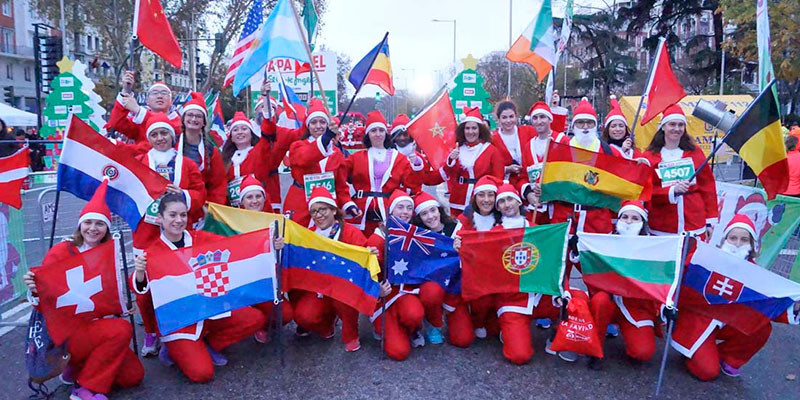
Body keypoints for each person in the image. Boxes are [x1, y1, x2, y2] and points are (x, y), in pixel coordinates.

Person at [23, 180, 144, 400]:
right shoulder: (62, 251)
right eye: (88, 222)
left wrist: (125, 302)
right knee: (120, 330)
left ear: (107, 227)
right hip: (67, 332)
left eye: (99, 224)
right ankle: (86, 389)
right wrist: (33, 289)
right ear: (80, 225)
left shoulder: (109, 255)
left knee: (133, 376)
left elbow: (112, 292)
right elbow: (43, 299)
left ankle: (77, 368)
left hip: (96, 329)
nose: (93, 229)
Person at [133, 193, 265, 383]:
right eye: (172, 215)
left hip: (210, 310)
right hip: (180, 322)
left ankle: (208, 344)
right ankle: (173, 349)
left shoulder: (200, 238)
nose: (179, 220)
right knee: (202, 373)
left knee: (255, 318)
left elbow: (236, 245)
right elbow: (141, 292)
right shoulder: (151, 252)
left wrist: (267, 241)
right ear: (160, 218)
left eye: (183, 215)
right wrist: (139, 273)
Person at [673, 214, 800, 380]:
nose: (738, 244)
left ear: (752, 244)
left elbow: (768, 306)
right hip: (699, 323)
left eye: (744, 239)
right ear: (724, 239)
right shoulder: (706, 260)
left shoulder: (755, 274)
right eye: (733, 238)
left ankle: (727, 358)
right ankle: (696, 353)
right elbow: (679, 278)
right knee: (707, 372)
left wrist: (795, 306)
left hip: (729, 322)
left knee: (762, 328)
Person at [454, 184, 561, 365]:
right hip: (512, 299)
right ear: (498, 207)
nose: (507, 204)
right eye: (501, 201)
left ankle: (558, 333)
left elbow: (554, 264)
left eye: (510, 199)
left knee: (572, 302)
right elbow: (480, 260)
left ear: (519, 202)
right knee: (520, 356)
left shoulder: (537, 230)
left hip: (537, 294)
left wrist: (561, 291)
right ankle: (507, 328)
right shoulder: (494, 235)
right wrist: (461, 246)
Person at [127, 113, 206, 357]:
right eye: (154, 134)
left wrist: (182, 193)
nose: (160, 138)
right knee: (145, 283)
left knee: (182, 279)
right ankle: (151, 330)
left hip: (178, 229)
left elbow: (201, 194)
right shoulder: (139, 162)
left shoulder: (187, 164)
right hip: (147, 231)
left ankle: (181, 325)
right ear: (148, 137)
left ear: (173, 136)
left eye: (164, 133)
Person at [290, 187, 374, 352]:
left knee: (344, 298)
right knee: (303, 316)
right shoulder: (309, 235)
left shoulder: (350, 232)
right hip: (320, 289)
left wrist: (370, 253)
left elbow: (364, 257)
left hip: (344, 288)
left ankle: (350, 333)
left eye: (323, 209)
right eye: (314, 211)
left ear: (334, 210)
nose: (318, 215)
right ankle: (326, 324)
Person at [587, 201, 662, 370]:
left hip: (636, 307)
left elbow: (659, 283)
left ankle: (633, 338)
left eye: (635, 218)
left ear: (643, 222)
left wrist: (664, 307)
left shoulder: (654, 248)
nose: (628, 221)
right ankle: (595, 348)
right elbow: (593, 273)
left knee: (643, 353)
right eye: (625, 217)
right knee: (599, 301)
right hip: (610, 302)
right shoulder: (606, 241)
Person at [367, 190, 425, 360]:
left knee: (413, 314)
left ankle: (412, 328)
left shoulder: (414, 232)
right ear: (390, 211)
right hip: (383, 297)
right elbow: (365, 273)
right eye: (400, 207)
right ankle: (384, 326)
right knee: (398, 352)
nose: (405, 212)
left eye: (409, 208)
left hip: (404, 290)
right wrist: (376, 290)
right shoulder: (377, 239)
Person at [408, 192, 472, 347]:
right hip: (433, 284)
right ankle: (433, 322)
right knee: (430, 294)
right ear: (419, 217)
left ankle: (449, 313)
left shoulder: (457, 228)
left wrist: (463, 249)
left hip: (457, 288)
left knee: (463, 340)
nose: (430, 216)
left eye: (433, 211)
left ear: (439, 210)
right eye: (424, 213)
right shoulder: (418, 234)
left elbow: (469, 265)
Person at [644, 104, 718, 237]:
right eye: (672, 124)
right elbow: (647, 190)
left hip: (694, 221)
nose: (676, 129)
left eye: (680, 125)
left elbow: (707, 187)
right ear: (663, 127)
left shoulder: (695, 153)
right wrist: (672, 191)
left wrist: (709, 221)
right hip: (663, 223)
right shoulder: (650, 157)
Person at [283, 99, 358, 227]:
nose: (318, 126)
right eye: (314, 122)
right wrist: (325, 139)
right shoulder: (297, 146)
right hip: (301, 202)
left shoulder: (336, 152)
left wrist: (347, 203)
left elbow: (340, 185)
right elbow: (306, 157)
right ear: (308, 125)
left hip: (328, 205)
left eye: (322, 122)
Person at [344, 110, 415, 235]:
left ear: (386, 133)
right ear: (367, 134)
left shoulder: (399, 158)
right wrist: (347, 202)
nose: (378, 134)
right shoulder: (356, 158)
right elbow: (339, 178)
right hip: (360, 211)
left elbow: (412, 185)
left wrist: (417, 166)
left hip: (389, 210)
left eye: (381, 130)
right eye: (373, 130)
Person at [444, 106, 504, 217]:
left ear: (480, 130)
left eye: (474, 128)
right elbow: (449, 174)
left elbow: (498, 178)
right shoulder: (457, 149)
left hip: (480, 200)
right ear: (462, 130)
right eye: (467, 128)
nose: (470, 132)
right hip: (458, 199)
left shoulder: (491, 150)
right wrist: (451, 160)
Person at [256, 79, 305, 211]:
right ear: (257, 110)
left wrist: (310, 116)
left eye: (272, 108)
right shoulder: (245, 131)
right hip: (249, 183)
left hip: (271, 183)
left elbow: (303, 133)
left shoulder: (284, 133)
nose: (267, 112)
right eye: (263, 107)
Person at [517, 102, 569, 226]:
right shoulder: (528, 146)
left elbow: (570, 175)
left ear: (549, 119)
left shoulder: (563, 141)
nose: (539, 121)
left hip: (558, 209)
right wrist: (528, 194)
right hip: (535, 210)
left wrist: (551, 191)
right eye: (535, 118)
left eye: (542, 117)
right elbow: (523, 177)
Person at [180, 92, 227, 205]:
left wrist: (211, 209)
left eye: (198, 116)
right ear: (183, 119)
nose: (194, 119)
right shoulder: (172, 143)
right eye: (190, 115)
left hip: (200, 205)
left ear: (204, 122)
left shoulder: (211, 151)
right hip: (175, 203)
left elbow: (218, 184)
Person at [106, 73, 181, 143]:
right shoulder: (139, 122)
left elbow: (164, 126)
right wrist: (125, 91)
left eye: (164, 93)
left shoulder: (179, 122)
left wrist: (139, 111)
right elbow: (117, 123)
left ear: (171, 101)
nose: (159, 96)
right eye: (154, 93)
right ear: (147, 101)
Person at [220, 111, 270, 207]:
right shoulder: (225, 160)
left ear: (251, 133)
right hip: (233, 212)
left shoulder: (259, 151)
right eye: (235, 130)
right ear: (231, 137)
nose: (240, 132)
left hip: (258, 207)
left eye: (244, 129)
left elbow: (268, 134)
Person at [390, 114, 445, 192]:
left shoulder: (419, 158)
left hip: (416, 197)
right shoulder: (389, 156)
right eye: (398, 135)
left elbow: (428, 178)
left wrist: (446, 170)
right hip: (393, 198)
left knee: (431, 204)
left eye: (405, 134)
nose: (402, 138)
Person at [491, 101, 533, 185]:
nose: (508, 120)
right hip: (505, 184)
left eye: (511, 116)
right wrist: (507, 169)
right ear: (498, 119)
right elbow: (489, 166)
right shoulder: (493, 139)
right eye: (504, 117)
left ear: (516, 117)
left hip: (528, 181)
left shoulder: (528, 131)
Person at [600, 95, 647, 161]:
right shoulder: (601, 148)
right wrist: (622, 151)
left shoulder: (632, 150)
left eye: (621, 126)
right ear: (607, 129)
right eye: (613, 126)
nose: (618, 129)